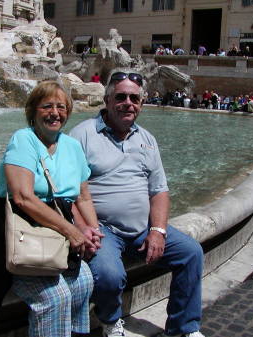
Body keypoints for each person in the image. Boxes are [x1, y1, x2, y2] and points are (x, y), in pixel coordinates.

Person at [70, 69, 205, 337]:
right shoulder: (82, 135)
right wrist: (82, 228)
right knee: (109, 275)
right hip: (102, 228)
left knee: (191, 253)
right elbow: (69, 192)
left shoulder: (147, 139)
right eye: (121, 97)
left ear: (142, 104)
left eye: (134, 98)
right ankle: (110, 320)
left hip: (143, 228)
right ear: (107, 100)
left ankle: (183, 328)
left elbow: (159, 191)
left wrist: (158, 231)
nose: (128, 103)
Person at [0, 81, 104, 336]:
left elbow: (83, 197)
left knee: (84, 283)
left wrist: (92, 230)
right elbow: (22, 197)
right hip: (24, 228)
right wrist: (72, 231)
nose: (55, 112)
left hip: (59, 230)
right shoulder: (24, 139)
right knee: (55, 297)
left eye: (61, 107)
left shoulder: (72, 146)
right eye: (47, 106)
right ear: (33, 110)